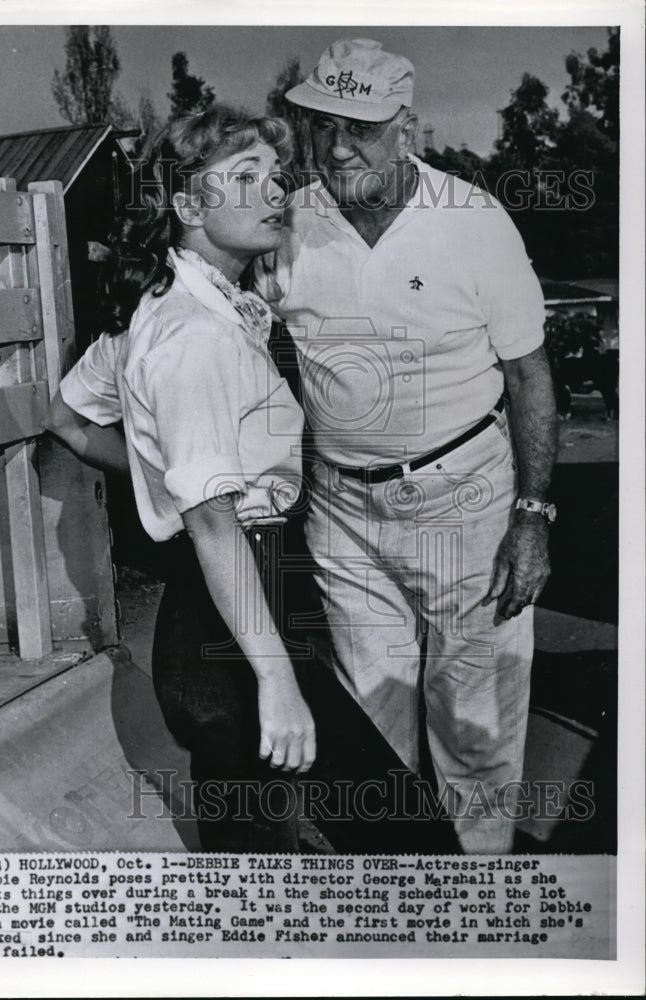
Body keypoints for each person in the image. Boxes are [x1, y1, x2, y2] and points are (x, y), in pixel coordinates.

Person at [46, 106, 458, 854]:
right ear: (188, 205)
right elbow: (210, 523)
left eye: (275, 174)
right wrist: (275, 681)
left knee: (288, 840)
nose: (275, 192)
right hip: (235, 605)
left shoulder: (179, 312)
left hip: (240, 595)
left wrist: (162, 473)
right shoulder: (192, 337)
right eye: (243, 176)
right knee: (380, 842)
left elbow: (69, 418)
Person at [253, 39, 558, 853]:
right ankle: (397, 919)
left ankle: (480, 910)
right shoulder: (285, 224)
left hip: (470, 504)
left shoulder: (474, 221)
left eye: (362, 128)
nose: (339, 147)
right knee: (371, 734)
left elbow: (529, 374)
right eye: (323, 127)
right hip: (345, 515)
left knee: (476, 729)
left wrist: (533, 516)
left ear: (406, 126)